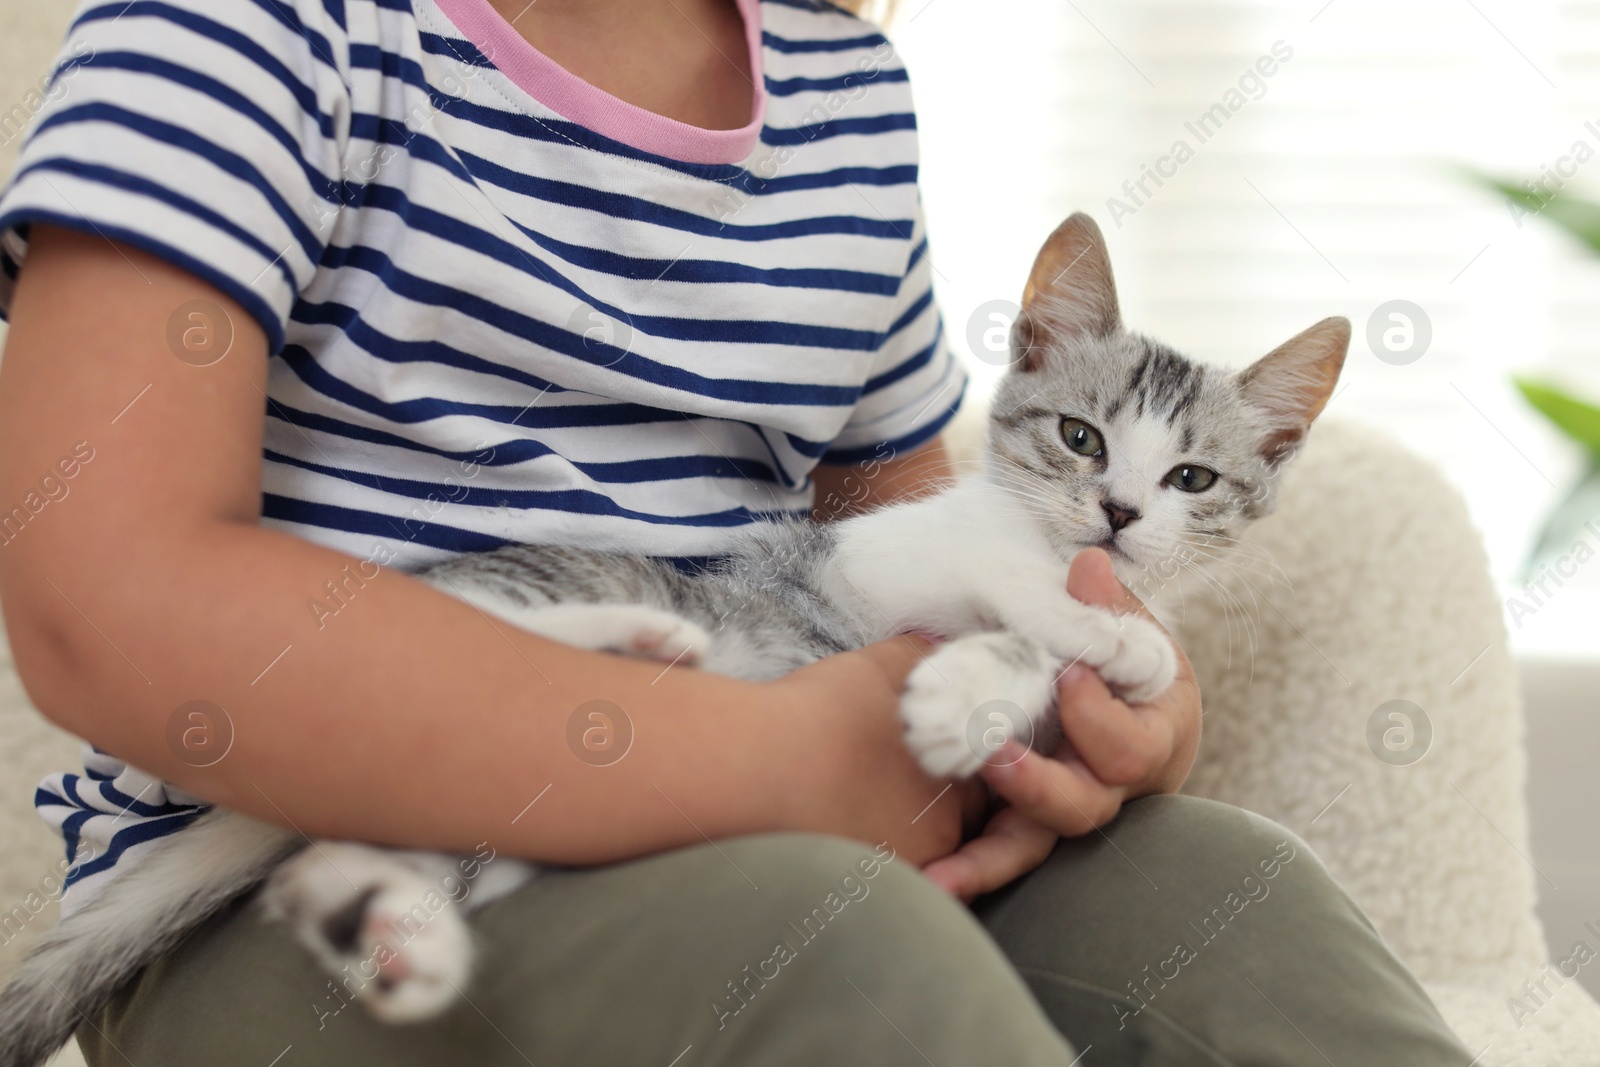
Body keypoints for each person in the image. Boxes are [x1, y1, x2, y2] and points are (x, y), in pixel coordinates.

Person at [0, 0, 1470, 1062]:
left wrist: (1105, 714)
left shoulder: (844, 91)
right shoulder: (247, 29)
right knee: (842, 944)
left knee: (1220, 889)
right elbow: (98, 604)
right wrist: (756, 765)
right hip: (300, 878)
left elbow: (904, 559)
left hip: (786, 786)